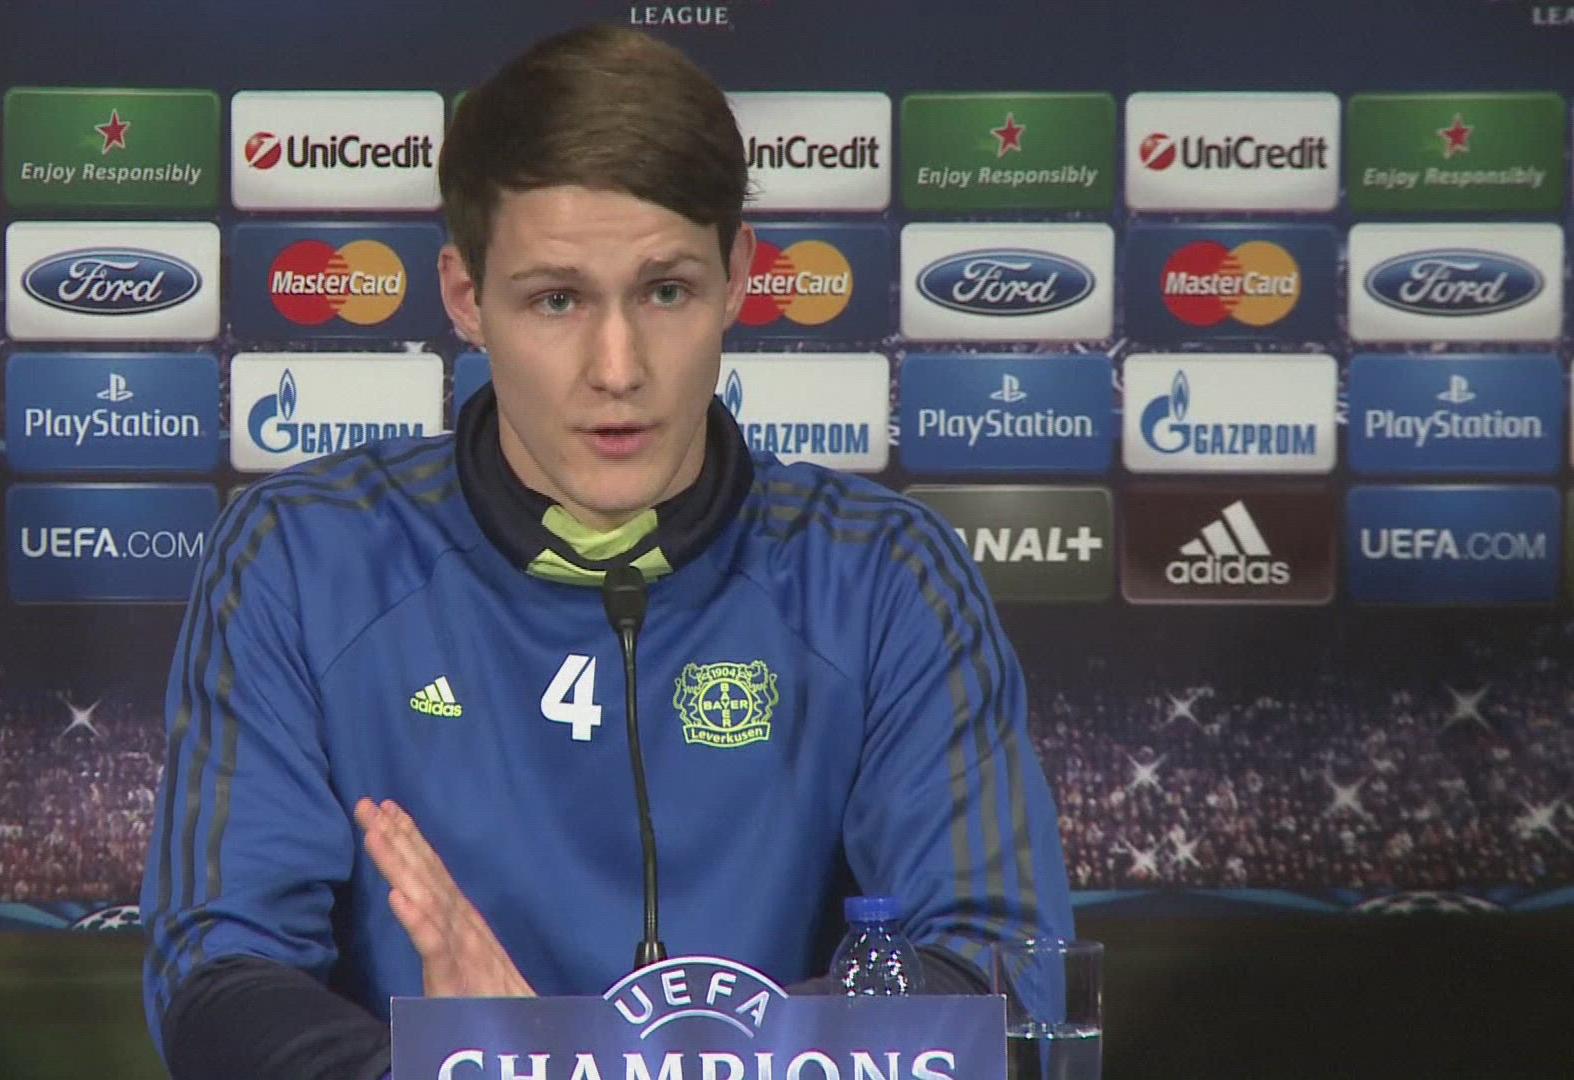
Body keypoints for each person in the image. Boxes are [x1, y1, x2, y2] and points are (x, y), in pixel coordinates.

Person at [140, 22, 1072, 1080]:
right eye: (557, 299)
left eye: (666, 291)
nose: (618, 367)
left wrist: (561, 1061)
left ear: (738, 277)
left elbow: (1004, 976)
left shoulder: (886, 576)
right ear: (466, 298)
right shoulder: (302, 558)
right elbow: (216, 981)